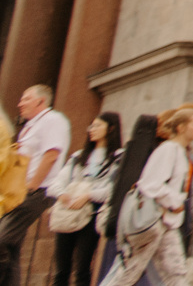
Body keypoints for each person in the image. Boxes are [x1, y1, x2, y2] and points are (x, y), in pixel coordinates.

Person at [97, 104, 193, 286]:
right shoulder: (169, 150)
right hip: (154, 221)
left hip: (163, 223)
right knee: (129, 273)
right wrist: (175, 202)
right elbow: (150, 184)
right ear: (181, 127)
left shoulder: (177, 151)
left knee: (175, 274)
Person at [1, 86, 71, 286]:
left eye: (26, 99)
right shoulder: (30, 126)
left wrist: (32, 186)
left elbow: (51, 155)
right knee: (12, 248)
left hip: (36, 191)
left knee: (2, 240)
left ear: (40, 101)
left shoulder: (53, 120)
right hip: (18, 192)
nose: (20, 104)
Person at [46, 113, 121, 286]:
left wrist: (89, 195)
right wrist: (63, 194)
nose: (92, 130)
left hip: (92, 214)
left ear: (111, 129)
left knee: (82, 268)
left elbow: (114, 188)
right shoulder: (78, 157)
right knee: (61, 270)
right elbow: (56, 183)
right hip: (68, 212)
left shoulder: (117, 157)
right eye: (91, 126)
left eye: (97, 126)